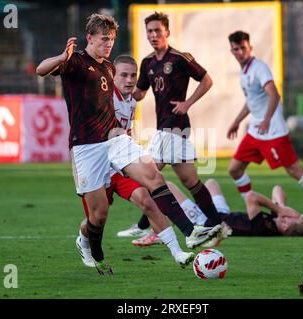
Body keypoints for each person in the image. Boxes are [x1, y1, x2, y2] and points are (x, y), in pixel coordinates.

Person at [36, 14, 221, 275]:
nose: (108, 44)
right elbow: (40, 69)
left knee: (153, 176)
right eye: (104, 39)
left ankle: (191, 233)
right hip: (86, 148)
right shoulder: (75, 61)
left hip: (115, 140)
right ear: (89, 38)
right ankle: (95, 253)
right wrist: (61, 58)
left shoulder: (109, 67)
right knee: (98, 216)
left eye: (111, 39)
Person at [75, 55, 218, 269]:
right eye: (123, 75)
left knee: (149, 200)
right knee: (96, 220)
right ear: (112, 76)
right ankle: (83, 241)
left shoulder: (131, 101)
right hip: (96, 166)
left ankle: (179, 251)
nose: (130, 80)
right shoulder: (103, 96)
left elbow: (126, 131)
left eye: (133, 75)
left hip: (120, 167)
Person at [125, 11, 223, 237]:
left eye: (157, 30)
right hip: (167, 128)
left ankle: (144, 227)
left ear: (167, 32)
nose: (153, 35)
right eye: (149, 31)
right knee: (190, 180)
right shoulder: (147, 62)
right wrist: (125, 91)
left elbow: (207, 80)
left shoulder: (180, 58)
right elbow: (140, 93)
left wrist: (188, 103)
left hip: (175, 124)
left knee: (148, 174)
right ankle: (217, 222)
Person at [226, 30, 303, 228]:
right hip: (256, 132)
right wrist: (236, 121)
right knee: (234, 169)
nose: (240, 52)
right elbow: (251, 102)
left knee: (294, 170)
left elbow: (274, 95)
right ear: (232, 51)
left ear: (249, 47)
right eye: (236, 49)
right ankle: (252, 209)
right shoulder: (244, 73)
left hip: (273, 132)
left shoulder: (259, 68)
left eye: (243, 47)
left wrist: (267, 120)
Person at [133, 178, 303, 247]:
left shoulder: (263, 226)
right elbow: (277, 188)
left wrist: (279, 209)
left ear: (285, 226)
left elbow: (251, 197)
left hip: (208, 222)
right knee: (211, 184)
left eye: (293, 217)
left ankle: (157, 232)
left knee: (167, 186)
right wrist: (283, 208)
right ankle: (156, 225)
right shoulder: (276, 221)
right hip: (222, 215)